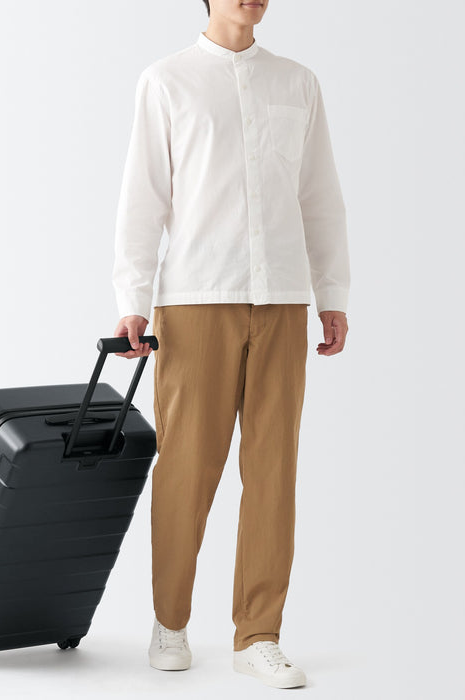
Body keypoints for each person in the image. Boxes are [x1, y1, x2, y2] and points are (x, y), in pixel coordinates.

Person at [111, 0, 350, 689]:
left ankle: (259, 635)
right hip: (195, 297)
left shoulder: (298, 82)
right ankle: (171, 621)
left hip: (282, 298)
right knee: (187, 468)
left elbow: (319, 195)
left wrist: (331, 292)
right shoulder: (167, 80)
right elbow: (142, 198)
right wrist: (132, 301)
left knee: (274, 472)